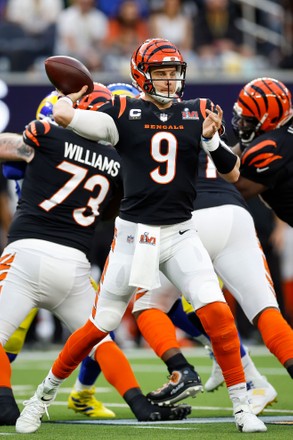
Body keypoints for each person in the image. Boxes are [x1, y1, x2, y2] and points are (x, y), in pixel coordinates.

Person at [16, 38, 268, 434]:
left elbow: (232, 173)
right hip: (135, 236)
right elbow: (84, 123)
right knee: (100, 325)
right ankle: (41, 398)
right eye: (161, 74)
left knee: (216, 309)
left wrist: (210, 139)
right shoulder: (122, 111)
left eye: (173, 73)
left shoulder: (197, 111)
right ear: (141, 77)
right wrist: (66, 110)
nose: (169, 82)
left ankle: (243, 406)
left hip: (182, 232)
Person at [0, 82, 191, 426]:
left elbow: (7, 149)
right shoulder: (117, 163)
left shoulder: (46, 133)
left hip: (27, 252)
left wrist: (38, 133)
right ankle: (139, 404)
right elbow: (113, 208)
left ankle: (3, 402)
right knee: (100, 341)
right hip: (74, 263)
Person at [231, 77, 293, 228]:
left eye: (247, 120)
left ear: (269, 119)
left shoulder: (270, 147)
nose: (241, 124)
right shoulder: (283, 135)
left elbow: (233, 191)